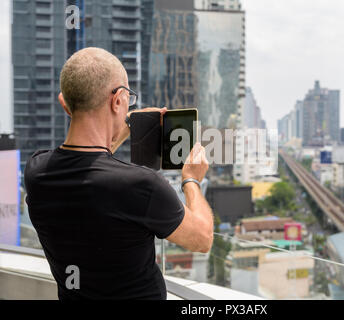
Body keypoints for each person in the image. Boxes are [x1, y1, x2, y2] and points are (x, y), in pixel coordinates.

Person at [24, 47, 214, 300]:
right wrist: (191, 179)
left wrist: (126, 123)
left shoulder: (37, 172)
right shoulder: (141, 185)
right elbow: (202, 239)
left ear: (64, 103)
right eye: (128, 99)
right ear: (117, 100)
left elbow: (88, 161)